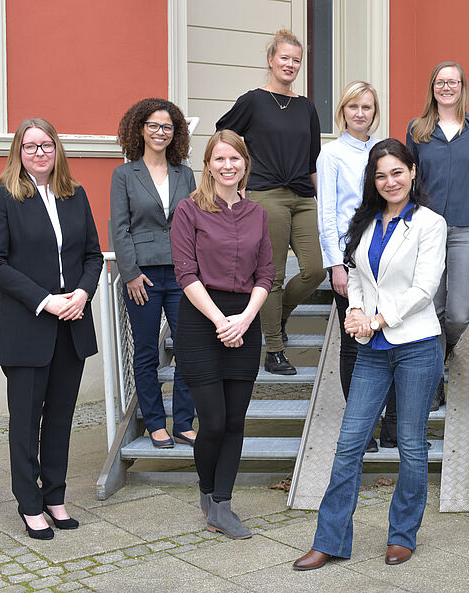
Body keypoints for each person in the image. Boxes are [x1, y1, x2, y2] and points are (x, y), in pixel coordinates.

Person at [292, 139, 447, 570]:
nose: (390, 181)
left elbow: (424, 289)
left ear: (412, 172)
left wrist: (377, 319)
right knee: (348, 445)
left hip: (416, 347)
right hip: (372, 351)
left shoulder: (430, 223)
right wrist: (356, 311)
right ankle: (329, 540)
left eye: (397, 172)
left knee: (411, 446)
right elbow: (357, 275)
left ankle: (402, 535)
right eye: (380, 175)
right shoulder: (364, 221)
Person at [0, 118, 102, 539]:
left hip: (72, 323)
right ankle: (29, 505)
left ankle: (55, 497)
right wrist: (46, 300)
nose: (39, 153)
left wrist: (82, 293)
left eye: (46, 145)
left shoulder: (75, 194)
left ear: (57, 150)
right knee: (26, 421)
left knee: (60, 420)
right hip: (27, 326)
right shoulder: (3, 196)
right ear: (19, 151)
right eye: (31, 146)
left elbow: (93, 255)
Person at [171, 131, 274, 539]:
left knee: (234, 421)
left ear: (245, 164)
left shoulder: (257, 214)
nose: (228, 165)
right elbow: (185, 272)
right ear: (209, 165)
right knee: (212, 421)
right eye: (220, 159)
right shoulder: (189, 210)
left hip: (245, 319)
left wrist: (245, 319)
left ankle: (222, 505)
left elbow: (266, 273)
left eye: (235, 158)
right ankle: (207, 488)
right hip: (201, 319)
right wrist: (220, 321)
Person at [216, 28, 322, 376]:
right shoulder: (253, 101)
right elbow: (224, 136)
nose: (290, 64)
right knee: (272, 274)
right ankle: (274, 350)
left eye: (296, 60)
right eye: (284, 58)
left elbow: (313, 160)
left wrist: (322, 201)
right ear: (271, 60)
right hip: (266, 194)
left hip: (303, 196)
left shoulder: (306, 107)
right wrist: (237, 179)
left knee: (315, 269)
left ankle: (280, 315)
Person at [406, 61, 469, 408]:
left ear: (462, 87)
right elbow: (409, 179)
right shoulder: (417, 129)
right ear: (432, 87)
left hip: (466, 229)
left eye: (453, 82)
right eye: (440, 82)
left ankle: (446, 346)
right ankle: (433, 381)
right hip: (426, 230)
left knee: (458, 313)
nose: (446, 87)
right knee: (432, 305)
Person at [110, 98, 197, 449]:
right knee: (146, 352)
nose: (160, 132)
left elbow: (194, 223)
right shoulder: (124, 175)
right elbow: (120, 228)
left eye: (167, 127)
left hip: (181, 275)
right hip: (142, 277)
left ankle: (184, 423)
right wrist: (130, 273)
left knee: (189, 349)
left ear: (176, 133)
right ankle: (155, 423)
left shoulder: (184, 173)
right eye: (154, 126)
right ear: (141, 129)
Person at [316, 81, 395, 452]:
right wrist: (335, 265)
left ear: (374, 112)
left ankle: (390, 424)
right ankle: (361, 428)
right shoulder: (331, 154)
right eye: (353, 107)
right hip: (348, 259)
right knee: (354, 341)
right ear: (343, 112)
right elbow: (327, 214)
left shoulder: (383, 151)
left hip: (385, 256)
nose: (360, 113)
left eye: (367, 107)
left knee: (389, 334)